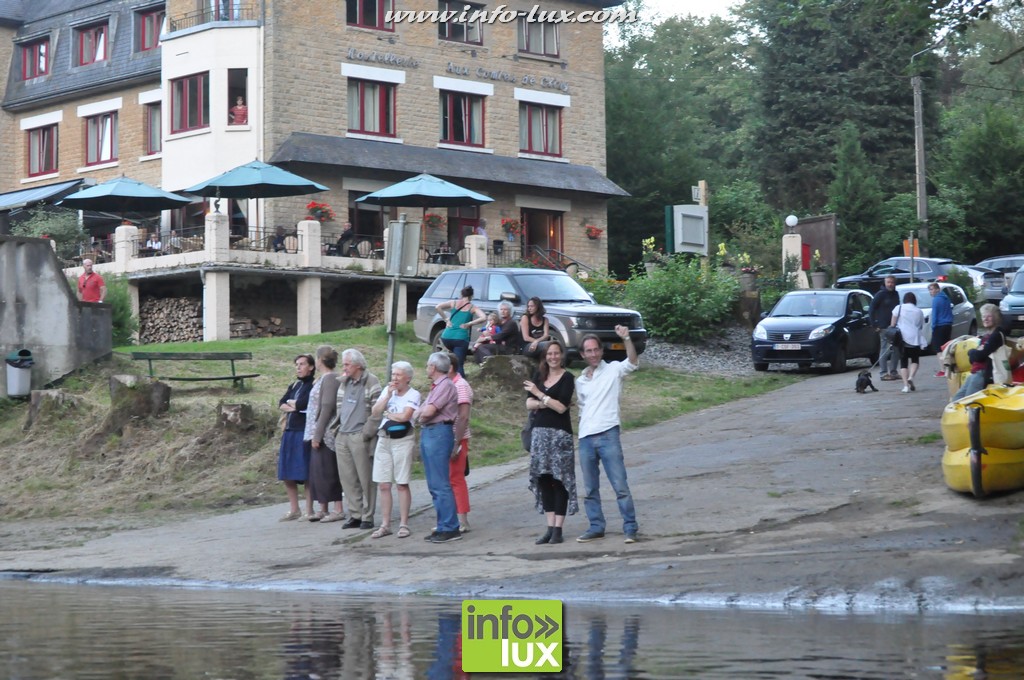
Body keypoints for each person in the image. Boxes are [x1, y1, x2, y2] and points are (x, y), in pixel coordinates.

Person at [575, 325, 639, 544]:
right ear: (582, 354)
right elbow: (582, 408)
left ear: (601, 351)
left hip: (608, 433)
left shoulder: (613, 369)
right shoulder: (580, 381)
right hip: (585, 437)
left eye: (596, 349)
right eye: (589, 351)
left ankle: (630, 527)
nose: (593, 354)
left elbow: (632, 362)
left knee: (620, 484)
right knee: (590, 488)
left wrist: (626, 338)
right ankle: (596, 526)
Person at [523, 342, 577, 545]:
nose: (553, 357)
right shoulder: (539, 375)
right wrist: (545, 402)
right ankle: (549, 527)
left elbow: (561, 408)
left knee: (559, 479)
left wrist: (539, 395)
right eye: (549, 354)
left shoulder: (568, 377)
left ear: (561, 355)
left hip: (560, 435)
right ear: (545, 356)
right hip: (539, 433)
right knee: (544, 478)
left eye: (556, 353)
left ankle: (558, 529)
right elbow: (528, 404)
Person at [413, 352, 462, 543]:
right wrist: (421, 414)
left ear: (433, 367)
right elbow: (421, 412)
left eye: (427, 365)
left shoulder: (445, 385)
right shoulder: (437, 386)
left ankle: (450, 527)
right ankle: (443, 525)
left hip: (438, 432)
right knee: (434, 483)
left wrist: (420, 414)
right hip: (431, 432)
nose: (426, 368)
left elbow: (428, 411)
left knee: (440, 483)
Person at [331, 348, 382, 530]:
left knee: (366, 479)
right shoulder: (344, 382)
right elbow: (339, 409)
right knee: (348, 479)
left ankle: (368, 516)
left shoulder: (371, 381)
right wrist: (337, 431)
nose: (344, 368)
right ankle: (355, 514)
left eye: (347, 364)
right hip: (343, 435)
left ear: (358, 365)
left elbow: (378, 411)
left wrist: (367, 433)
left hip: (360, 436)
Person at [370, 361, 421, 539]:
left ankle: (404, 524)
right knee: (383, 484)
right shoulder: (388, 390)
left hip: (403, 440)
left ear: (408, 378)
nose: (395, 378)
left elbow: (405, 416)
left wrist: (389, 414)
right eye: (393, 375)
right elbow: (375, 412)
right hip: (384, 438)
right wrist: (387, 397)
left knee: (401, 483)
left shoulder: (413, 394)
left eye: (398, 375)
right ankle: (385, 525)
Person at [305, 345, 345, 522]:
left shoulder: (330, 378)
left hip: (326, 433)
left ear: (320, 360)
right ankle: (323, 507)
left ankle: (338, 509)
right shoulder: (322, 379)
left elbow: (327, 407)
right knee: (318, 471)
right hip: (317, 430)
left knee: (328, 470)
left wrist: (318, 435)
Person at [277, 354, 315, 521]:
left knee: (305, 472)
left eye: (302, 364)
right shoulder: (294, 385)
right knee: (286, 472)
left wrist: (294, 405)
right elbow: (281, 403)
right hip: (289, 431)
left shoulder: (313, 385)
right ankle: (294, 509)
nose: (298, 367)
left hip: (303, 432)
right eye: (296, 364)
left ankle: (309, 510)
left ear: (311, 367)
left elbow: (303, 404)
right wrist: (293, 407)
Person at [953, 304, 1006, 401]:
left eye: (989, 316)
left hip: (983, 374)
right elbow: (973, 360)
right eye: (983, 316)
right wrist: (975, 353)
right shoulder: (986, 336)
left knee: (969, 403)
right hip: (975, 372)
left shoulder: (996, 335)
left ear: (996, 317)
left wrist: (972, 351)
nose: (985, 319)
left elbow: (980, 356)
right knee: (956, 401)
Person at [446, 351, 474, 533]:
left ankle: (463, 520)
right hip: (448, 437)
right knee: (449, 479)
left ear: (450, 367)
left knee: (456, 479)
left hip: (457, 438)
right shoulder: (448, 384)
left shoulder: (460, 385)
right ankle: (451, 519)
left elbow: (463, 416)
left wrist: (456, 443)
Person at [436, 286, 485, 377]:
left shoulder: (453, 303)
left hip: (446, 337)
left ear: (461, 294)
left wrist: (446, 319)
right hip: (460, 339)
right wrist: (469, 323)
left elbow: (438, 307)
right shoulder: (472, 307)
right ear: (472, 296)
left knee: (452, 361)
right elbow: (484, 317)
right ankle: (461, 383)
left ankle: (448, 379)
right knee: (459, 364)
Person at [891, 291, 926, 394]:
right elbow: (921, 326)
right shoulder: (919, 311)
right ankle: (911, 377)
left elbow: (892, 324)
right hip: (915, 338)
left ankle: (905, 385)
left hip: (902, 338)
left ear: (904, 300)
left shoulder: (898, 308)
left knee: (903, 362)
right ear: (914, 300)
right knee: (915, 360)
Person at [869, 276, 901, 380]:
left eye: (892, 282)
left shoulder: (896, 294)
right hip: (883, 327)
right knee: (884, 349)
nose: (890, 284)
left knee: (896, 350)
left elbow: (898, 310)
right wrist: (874, 325)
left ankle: (893, 372)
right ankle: (883, 373)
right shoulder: (880, 295)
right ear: (885, 283)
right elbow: (871, 309)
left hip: (894, 326)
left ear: (895, 283)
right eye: (888, 282)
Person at [928, 282, 954, 377]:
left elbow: (934, 315)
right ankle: (949, 368)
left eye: (932, 289)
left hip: (939, 325)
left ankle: (943, 370)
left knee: (938, 348)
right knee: (946, 347)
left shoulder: (936, 300)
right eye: (930, 290)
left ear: (937, 289)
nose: (931, 292)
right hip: (948, 324)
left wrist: (933, 326)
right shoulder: (946, 298)